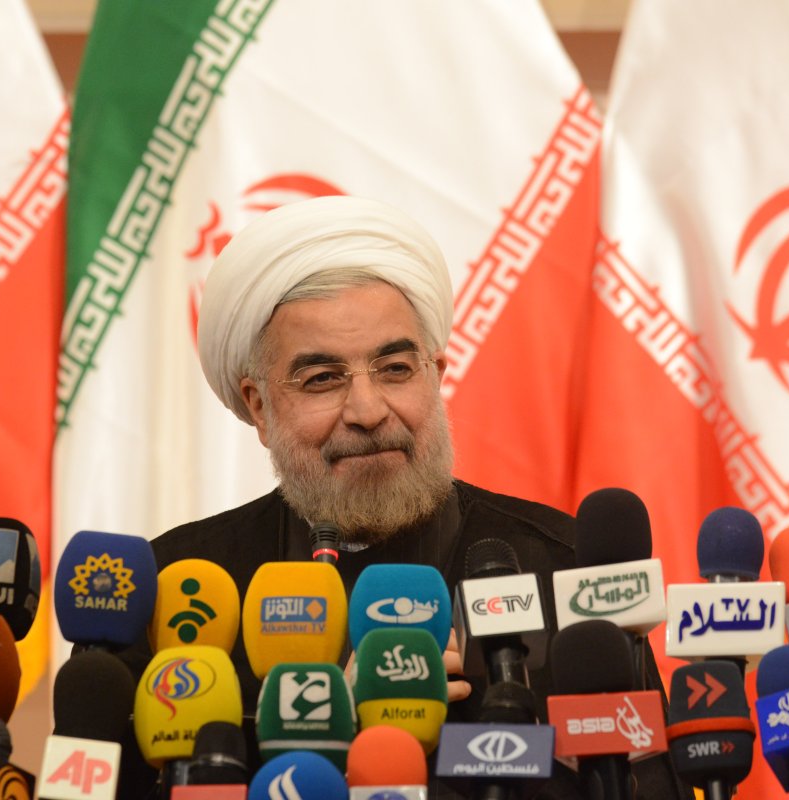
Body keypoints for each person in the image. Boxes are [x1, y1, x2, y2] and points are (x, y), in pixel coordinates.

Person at [117, 196, 690, 799]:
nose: (368, 412)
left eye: (394, 368)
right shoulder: (171, 589)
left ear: (436, 373)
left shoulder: (565, 568)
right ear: (258, 405)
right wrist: (331, 722)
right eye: (323, 379)